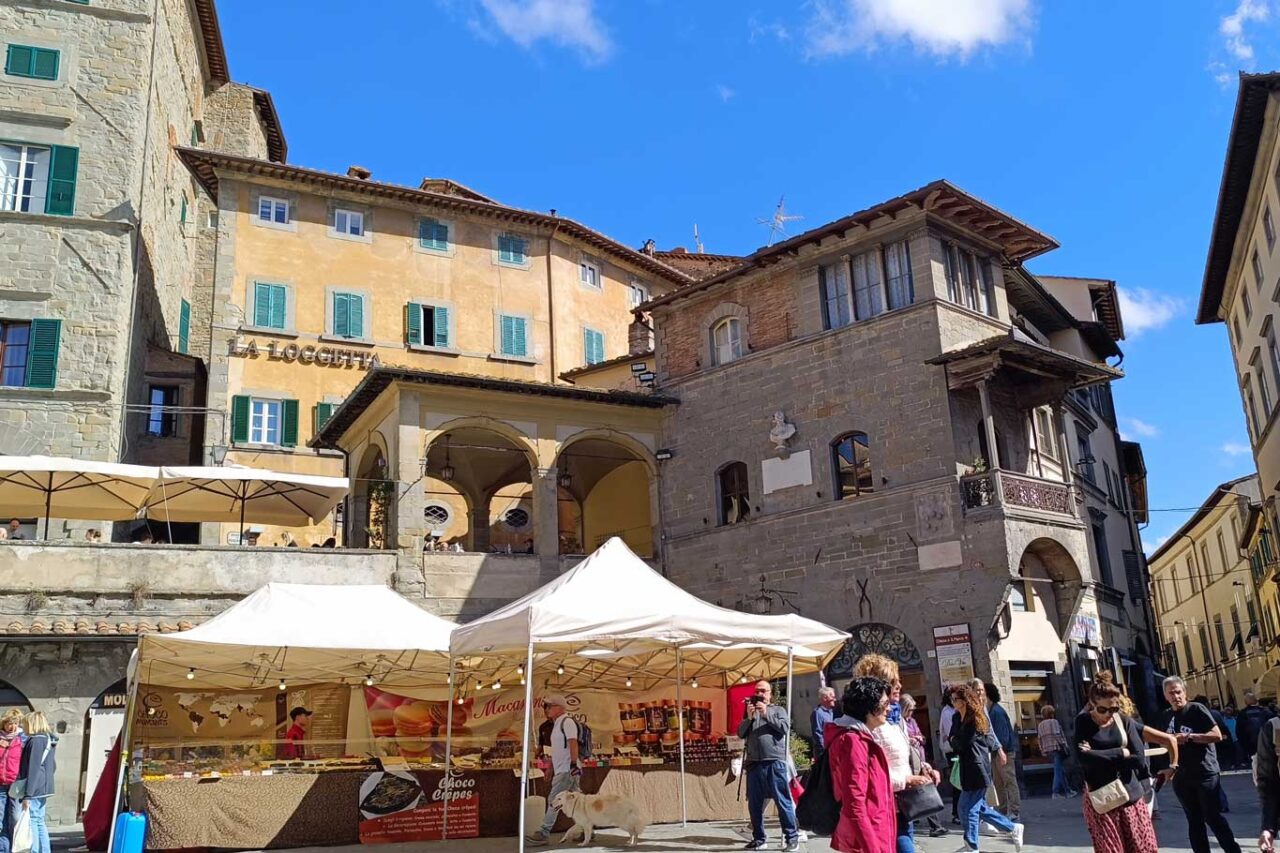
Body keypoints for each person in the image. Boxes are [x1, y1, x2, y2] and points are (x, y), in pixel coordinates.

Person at [1074, 671, 1171, 852]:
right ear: (1091, 705)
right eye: (1103, 709)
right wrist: (1121, 752)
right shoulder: (1083, 722)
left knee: (1143, 848)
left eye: (1114, 709)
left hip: (1130, 795)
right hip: (1101, 797)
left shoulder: (1124, 721)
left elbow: (1140, 759)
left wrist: (1097, 754)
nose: (1109, 714)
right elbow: (1082, 757)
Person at [852, 654, 937, 852]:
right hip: (885, 808)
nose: (899, 685)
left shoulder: (895, 717)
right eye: (892, 681)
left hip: (906, 804)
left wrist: (923, 767)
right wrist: (907, 780)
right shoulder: (869, 725)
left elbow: (902, 753)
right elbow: (870, 775)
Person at [1161, 676, 1240, 853]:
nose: (1175, 696)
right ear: (1165, 696)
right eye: (1171, 693)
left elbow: (1217, 735)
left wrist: (1190, 737)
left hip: (1205, 772)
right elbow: (1164, 742)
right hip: (1182, 775)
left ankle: (1233, 850)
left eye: (1178, 691)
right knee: (1193, 820)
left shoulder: (1196, 709)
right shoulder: (1166, 716)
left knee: (1212, 816)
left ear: (1185, 692)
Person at [825, 676, 897, 853]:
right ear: (869, 707)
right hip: (867, 840)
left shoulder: (859, 737)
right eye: (885, 703)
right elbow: (854, 803)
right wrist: (872, 849)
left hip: (874, 833)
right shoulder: (853, 741)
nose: (889, 708)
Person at [950, 684, 1023, 852]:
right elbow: (953, 740)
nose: (953, 702)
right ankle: (1013, 828)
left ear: (964, 701)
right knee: (978, 808)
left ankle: (971, 845)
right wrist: (954, 740)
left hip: (978, 768)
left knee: (969, 808)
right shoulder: (957, 718)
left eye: (955, 699)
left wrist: (999, 749)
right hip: (966, 768)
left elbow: (961, 742)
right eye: (952, 699)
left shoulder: (974, 718)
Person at [737, 680, 799, 852]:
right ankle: (759, 838)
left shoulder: (778, 710)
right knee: (754, 804)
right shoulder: (750, 712)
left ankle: (792, 838)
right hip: (754, 764)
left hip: (774, 762)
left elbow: (784, 728)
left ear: (770, 693)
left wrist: (766, 714)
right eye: (757, 690)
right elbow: (741, 733)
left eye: (764, 691)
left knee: (782, 801)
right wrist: (749, 719)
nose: (760, 694)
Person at [526, 694, 580, 847]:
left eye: (550, 706)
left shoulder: (567, 722)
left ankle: (543, 833)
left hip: (567, 769)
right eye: (546, 706)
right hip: (565, 768)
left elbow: (573, 743)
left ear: (560, 708)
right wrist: (551, 767)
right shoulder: (557, 724)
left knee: (554, 800)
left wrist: (573, 764)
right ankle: (585, 829)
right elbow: (558, 750)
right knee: (577, 801)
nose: (547, 709)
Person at [901, 693, 948, 838]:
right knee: (921, 793)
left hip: (920, 760)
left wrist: (919, 739)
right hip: (910, 762)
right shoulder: (899, 723)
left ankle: (935, 825)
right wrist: (909, 740)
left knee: (926, 791)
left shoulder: (912, 722)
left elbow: (923, 737)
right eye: (909, 710)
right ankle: (931, 824)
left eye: (912, 710)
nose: (911, 713)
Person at [14, 711, 55, 853]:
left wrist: (28, 795)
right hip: (44, 787)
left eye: (24, 723)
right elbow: (53, 766)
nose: (22, 726)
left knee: (33, 821)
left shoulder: (36, 740)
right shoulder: (48, 739)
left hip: (35, 788)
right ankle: (44, 850)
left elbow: (33, 768)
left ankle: (35, 850)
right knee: (39, 820)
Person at [980, 681, 1021, 820]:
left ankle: (1014, 811)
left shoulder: (996, 712)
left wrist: (997, 749)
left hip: (1004, 752)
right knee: (999, 783)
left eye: (982, 693)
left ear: (988, 695)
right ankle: (1003, 811)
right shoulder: (991, 711)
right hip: (996, 752)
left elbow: (1002, 737)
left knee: (1009, 781)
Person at [1037, 704, 1077, 799]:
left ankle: (1068, 790)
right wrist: (1064, 745)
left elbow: (1039, 738)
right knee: (1058, 770)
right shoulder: (1053, 722)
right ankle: (1055, 792)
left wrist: (1042, 749)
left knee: (1060, 770)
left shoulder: (1040, 725)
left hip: (1048, 750)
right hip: (1056, 748)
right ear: (1051, 713)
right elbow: (1057, 734)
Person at [0, 710, 23, 853]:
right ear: (4, 723)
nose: (12, 726)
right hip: (0, 783)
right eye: (10, 723)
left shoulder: (23, 739)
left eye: (15, 723)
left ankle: (16, 847)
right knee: (0, 819)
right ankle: (3, 849)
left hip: (16, 783)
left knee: (15, 817)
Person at [938, 687, 960, 824]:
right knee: (957, 781)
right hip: (953, 751)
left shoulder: (953, 711)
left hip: (956, 749)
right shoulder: (947, 713)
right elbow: (952, 733)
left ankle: (958, 811)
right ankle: (956, 813)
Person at [1238, 690, 1273, 770]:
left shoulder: (1242, 714)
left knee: (1256, 766)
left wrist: (1245, 747)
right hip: (1267, 743)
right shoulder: (1265, 711)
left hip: (1252, 746)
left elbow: (1239, 732)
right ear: (1255, 700)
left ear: (1245, 702)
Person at [811, 686, 838, 759]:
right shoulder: (818, 713)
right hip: (824, 753)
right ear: (825, 698)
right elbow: (818, 734)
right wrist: (825, 750)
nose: (835, 699)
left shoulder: (834, 712)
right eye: (832, 697)